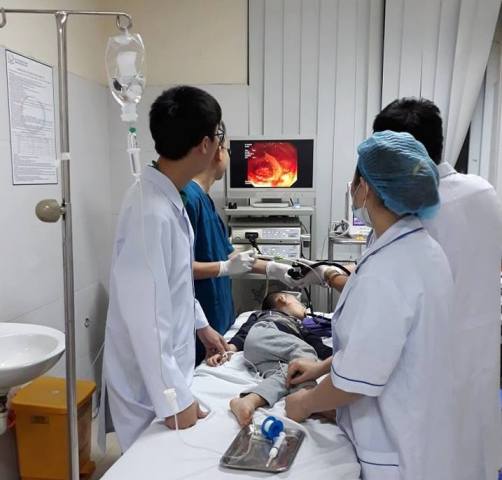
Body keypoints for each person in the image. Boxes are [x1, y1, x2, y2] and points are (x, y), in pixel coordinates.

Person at [285, 130, 457, 480]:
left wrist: (303, 403)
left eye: (354, 182)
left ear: (364, 188)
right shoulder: (420, 248)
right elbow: (383, 347)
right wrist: (319, 369)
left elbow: (354, 383)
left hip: (394, 450)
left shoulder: (388, 270)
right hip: (421, 428)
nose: (352, 189)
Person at [373, 98, 502, 480]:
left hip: (424, 378)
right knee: (472, 459)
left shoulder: (412, 212)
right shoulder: (484, 192)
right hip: (478, 366)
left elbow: (390, 301)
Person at [101, 86, 229, 452]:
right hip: (149, 385)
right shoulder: (150, 212)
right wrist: (174, 400)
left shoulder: (170, 197)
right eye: (219, 136)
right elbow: (145, 318)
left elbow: (176, 282)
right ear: (205, 144)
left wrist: (201, 325)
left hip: (168, 368)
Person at [181, 122, 299, 364]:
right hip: (200, 328)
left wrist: (277, 269)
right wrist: (224, 268)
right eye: (227, 149)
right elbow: (177, 270)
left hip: (219, 320)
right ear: (216, 150)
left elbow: (230, 256)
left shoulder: (205, 201)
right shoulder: (188, 200)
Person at [205, 291, 332, 427]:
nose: (304, 308)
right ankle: (309, 393)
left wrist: (337, 356)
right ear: (282, 299)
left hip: (256, 352)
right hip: (265, 332)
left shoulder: (300, 325)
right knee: (305, 353)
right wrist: (228, 349)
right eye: (300, 303)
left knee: (288, 372)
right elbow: (243, 332)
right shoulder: (264, 315)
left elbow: (317, 343)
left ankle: (248, 401)